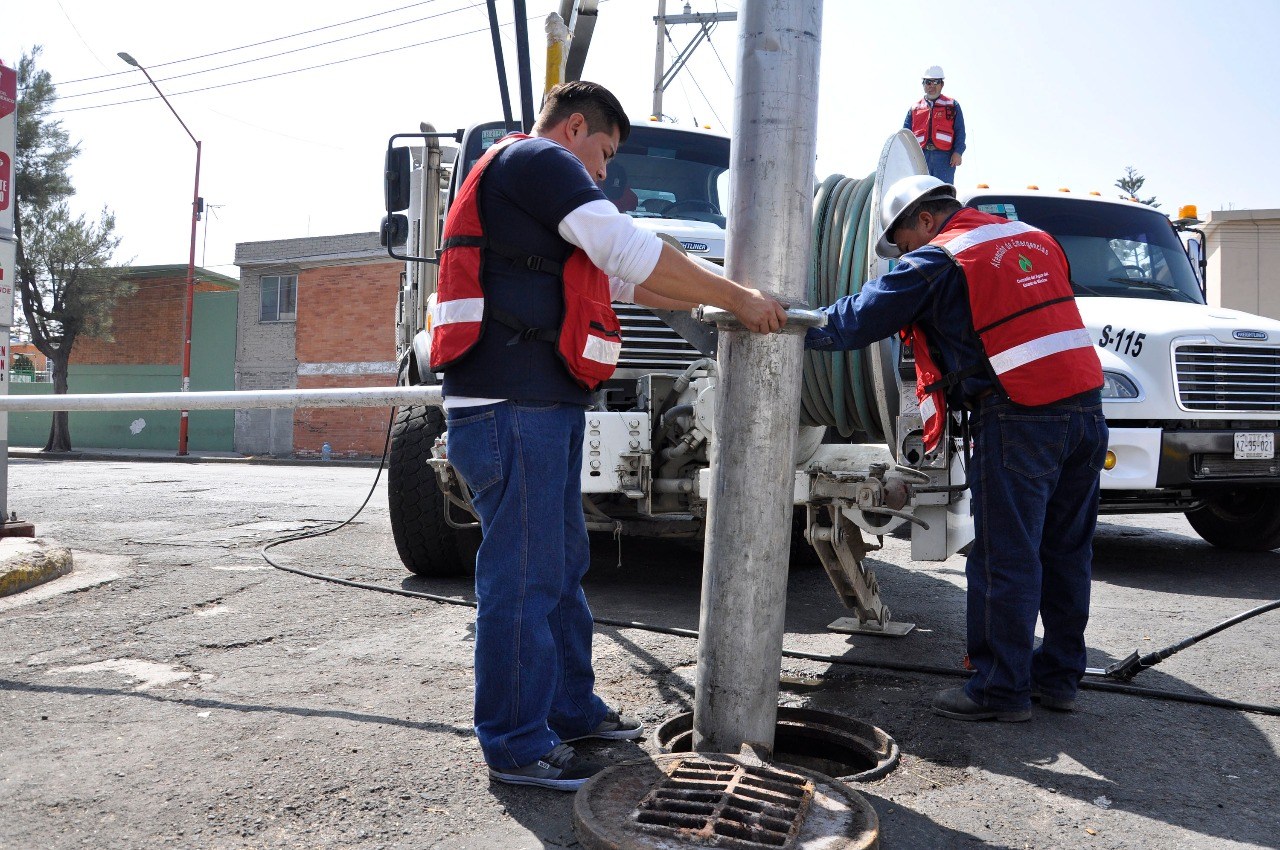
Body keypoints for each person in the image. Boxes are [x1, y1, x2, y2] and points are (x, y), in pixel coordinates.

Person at [431, 80, 787, 790]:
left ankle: (569, 709)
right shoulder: (539, 161)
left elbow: (631, 286)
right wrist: (740, 298)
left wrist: (719, 303)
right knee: (526, 578)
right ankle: (515, 745)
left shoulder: (531, 191)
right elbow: (627, 250)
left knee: (557, 565)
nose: (603, 172)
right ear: (572, 128)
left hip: (537, 406)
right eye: (603, 152)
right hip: (512, 405)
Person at [805, 175, 1106, 723]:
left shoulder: (941, 258)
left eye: (900, 241)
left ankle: (1000, 689)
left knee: (1004, 555)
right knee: (1066, 550)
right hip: (1086, 412)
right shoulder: (1034, 237)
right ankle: (1060, 677)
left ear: (924, 219)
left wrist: (787, 325)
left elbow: (858, 319)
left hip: (1019, 415)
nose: (902, 254)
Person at [904, 65, 966, 183]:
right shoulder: (915, 108)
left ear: (942, 84)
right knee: (919, 193)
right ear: (923, 84)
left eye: (935, 82)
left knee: (942, 192)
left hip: (944, 159)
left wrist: (958, 152)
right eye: (928, 82)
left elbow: (960, 131)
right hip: (920, 158)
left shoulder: (952, 105)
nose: (931, 86)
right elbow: (905, 136)